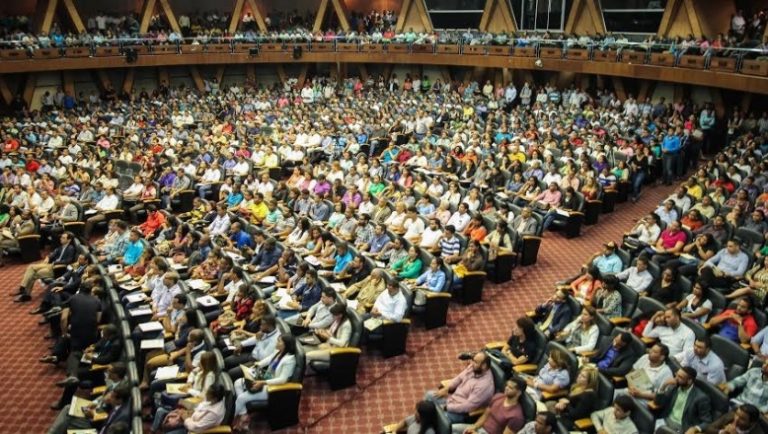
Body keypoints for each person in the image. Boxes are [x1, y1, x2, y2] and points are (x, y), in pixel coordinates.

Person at [233, 334, 297, 418]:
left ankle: (229, 420)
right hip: (265, 378)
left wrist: (263, 382)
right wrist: (256, 365)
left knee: (241, 398)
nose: (276, 342)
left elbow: (283, 379)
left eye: (279, 341)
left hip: (272, 388)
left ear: (285, 345)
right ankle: (243, 413)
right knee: (237, 383)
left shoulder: (290, 360)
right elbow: (268, 359)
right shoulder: (278, 351)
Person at [424, 351, 495, 423]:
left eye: (475, 362)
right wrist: (447, 388)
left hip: (460, 413)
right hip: (452, 399)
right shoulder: (474, 368)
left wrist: (447, 407)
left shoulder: (484, 386)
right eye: (473, 360)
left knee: (437, 417)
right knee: (429, 395)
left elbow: (468, 406)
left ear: (484, 366)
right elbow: (459, 378)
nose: (471, 363)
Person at [14, 231, 76, 302]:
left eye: (63, 238)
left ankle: (24, 291)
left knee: (32, 271)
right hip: (50, 265)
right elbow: (54, 253)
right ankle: (24, 291)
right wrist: (48, 257)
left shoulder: (71, 248)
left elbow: (68, 261)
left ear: (69, 240)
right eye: (61, 237)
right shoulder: (61, 246)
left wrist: (55, 262)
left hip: (56, 268)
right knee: (31, 269)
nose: (61, 239)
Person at [451, 377, 527, 434]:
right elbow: (485, 415)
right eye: (507, 385)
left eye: (510, 387)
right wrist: (474, 427)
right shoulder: (498, 396)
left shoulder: (516, 416)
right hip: (479, 428)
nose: (506, 388)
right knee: (449, 428)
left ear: (518, 393)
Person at [652, 367, 712, 433]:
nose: (675, 379)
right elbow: (658, 403)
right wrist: (664, 386)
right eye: (676, 375)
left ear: (689, 381)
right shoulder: (673, 387)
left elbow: (707, 422)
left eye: (680, 377)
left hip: (682, 427)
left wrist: (695, 428)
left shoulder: (701, 397)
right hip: (665, 420)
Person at [615, 343, 673, 408]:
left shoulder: (666, 372)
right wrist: (631, 387)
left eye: (654, 352)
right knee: (611, 393)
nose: (650, 352)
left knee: (621, 405)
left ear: (662, 357)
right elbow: (631, 373)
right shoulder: (645, 357)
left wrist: (640, 394)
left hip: (644, 400)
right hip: (630, 391)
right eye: (651, 349)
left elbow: (661, 396)